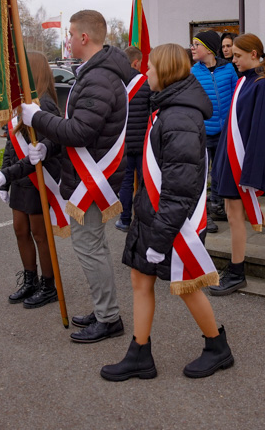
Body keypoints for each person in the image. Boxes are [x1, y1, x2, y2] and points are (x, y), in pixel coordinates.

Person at [101, 43, 233, 381]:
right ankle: (139, 354)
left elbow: (179, 188)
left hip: (173, 221)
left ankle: (218, 348)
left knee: (187, 285)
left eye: (152, 68)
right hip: (154, 214)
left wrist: (159, 241)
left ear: (168, 72)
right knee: (139, 280)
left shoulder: (179, 117)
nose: (147, 74)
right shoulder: (169, 107)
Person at [21, 10, 133, 344]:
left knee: (89, 248)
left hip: (93, 177)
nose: (67, 40)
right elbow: (78, 127)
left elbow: (81, 131)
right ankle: (104, 310)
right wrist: (48, 148)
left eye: (70, 34)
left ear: (84, 38)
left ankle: (109, 317)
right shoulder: (96, 72)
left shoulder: (99, 77)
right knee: (93, 246)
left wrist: (38, 118)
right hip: (90, 173)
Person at [208, 33, 265, 296]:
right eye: (232, 54)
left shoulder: (260, 85)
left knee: (236, 216)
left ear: (254, 54)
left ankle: (237, 272)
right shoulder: (244, 82)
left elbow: (261, 133)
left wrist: (250, 172)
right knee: (237, 212)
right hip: (231, 160)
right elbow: (232, 127)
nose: (232, 59)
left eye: (237, 55)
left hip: (242, 164)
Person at [0, 51, 62, 308]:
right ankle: (30, 279)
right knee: (20, 229)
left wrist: (11, 173)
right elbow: (12, 145)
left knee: (39, 233)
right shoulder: (21, 102)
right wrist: (6, 178)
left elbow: (47, 145)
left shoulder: (45, 104)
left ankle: (48, 284)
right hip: (20, 178)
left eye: (22, 71)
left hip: (37, 179)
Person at [190, 30, 238, 232]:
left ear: (209, 49)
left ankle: (217, 205)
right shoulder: (194, 71)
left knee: (220, 170)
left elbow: (237, 95)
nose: (192, 48)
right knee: (202, 173)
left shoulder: (228, 69)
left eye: (196, 45)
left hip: (224, 131)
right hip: (203, 131)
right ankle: (203, 214)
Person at [115, 46, 151, 233]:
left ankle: (124, 218)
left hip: (124, 143)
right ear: (136, 62)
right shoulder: (147, 83)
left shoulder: (117, 82)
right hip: (143, 142)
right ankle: (143, 220)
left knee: (126, 182)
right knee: (145, 183)